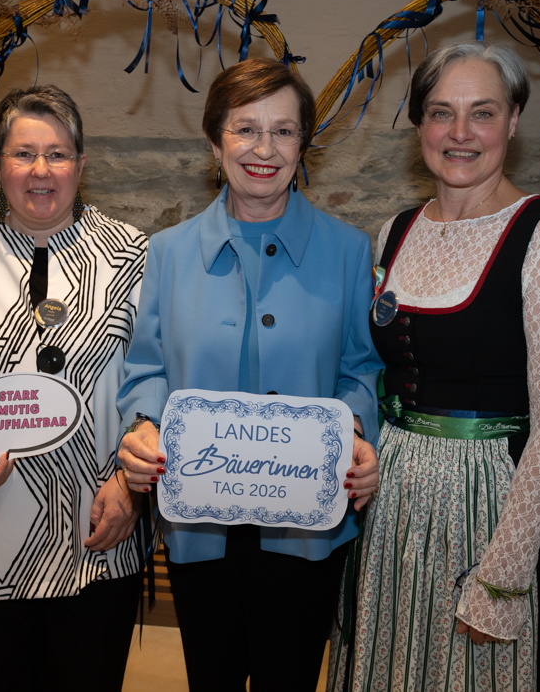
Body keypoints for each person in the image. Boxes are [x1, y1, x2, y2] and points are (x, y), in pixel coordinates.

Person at [329, 42, 540, 692]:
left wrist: (503, 574)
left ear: (513, 120)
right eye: (440, 112)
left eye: (481, 113)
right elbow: (376, 370)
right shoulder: (394, 229)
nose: (458, 133)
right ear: (419, 124)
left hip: (491, 505)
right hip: (393, 505)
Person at [116, 57, 383, 691]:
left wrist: (358, 436)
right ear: (215, 141)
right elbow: (147, 366)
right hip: (197, 522)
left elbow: (360, 369)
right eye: (245, 130)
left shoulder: (348, 250)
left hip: (307, 523)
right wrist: (143, 427)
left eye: (284, 131)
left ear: (303, 144)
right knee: (209, 678)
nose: (264, 149)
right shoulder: (167, 253)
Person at [0, 85, 149, 691]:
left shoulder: (134, 257)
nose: (41, 171)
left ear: (81, 164)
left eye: (58, 153)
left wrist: (132, 488)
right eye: (23, 154)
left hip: (97, 531)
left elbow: (159, 383)